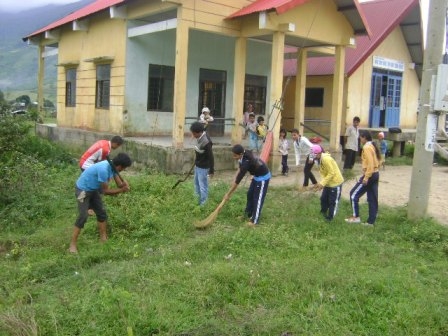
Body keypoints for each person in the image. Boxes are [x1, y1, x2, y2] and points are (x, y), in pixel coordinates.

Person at [69, 153, 132, 253]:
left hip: (94, 188)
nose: (123, 170)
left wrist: (124, 185)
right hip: (83, 189)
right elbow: (105, 191)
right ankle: (72, 245)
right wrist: (122, 190)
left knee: (102, 213)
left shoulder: (113, 167)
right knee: (83, 216)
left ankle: (103, 238)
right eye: (124, 168)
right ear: (120, 166)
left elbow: (119, 184)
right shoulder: (104, 169)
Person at [223, 144, 271, 227]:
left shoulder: (246, 162)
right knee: (250, 194)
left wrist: (228, 194)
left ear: (240, 154)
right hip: (256, 176)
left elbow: (238, 182)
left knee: (257, 198)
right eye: (233, 155)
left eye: (235, 156)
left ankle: (254, 221)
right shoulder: (243, 155)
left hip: (263, 177)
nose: (234, 157)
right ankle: (247, 214)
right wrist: (234, 177)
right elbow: (239, 168)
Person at [345, 130, 381, 226]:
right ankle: (371, 222)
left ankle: (356, 217)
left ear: (364, 137)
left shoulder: (366, 147)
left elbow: (370, 163)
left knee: (353, 194)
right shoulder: (372, 146)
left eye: (360, 137)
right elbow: (378, 161)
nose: (360, 139)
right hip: (375, 173)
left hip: (370, 175)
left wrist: (366, 177)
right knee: (372, 198)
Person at [311, 145, 344, 221]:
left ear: (319, 153)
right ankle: (323, 212)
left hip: (336, 183)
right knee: (323, 199)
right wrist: (322, 184)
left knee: (333, 202)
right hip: (328, 183)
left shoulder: (326, 159)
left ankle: (330, 218)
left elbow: (331, 173)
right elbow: (323, 173)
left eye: (314, 154)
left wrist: (322, 183)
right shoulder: (318, 160)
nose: (312, 155)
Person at [190, 121, 214, 206]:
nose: (193, 135)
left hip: (203, 167)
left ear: (199, 132)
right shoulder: (199, 136)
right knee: (196, 184)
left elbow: (211, 157)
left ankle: (203, 204)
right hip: (198, 165)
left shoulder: (206, 142)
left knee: (202, 186)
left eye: (194, 134)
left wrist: (211, 170)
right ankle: (196, 200)